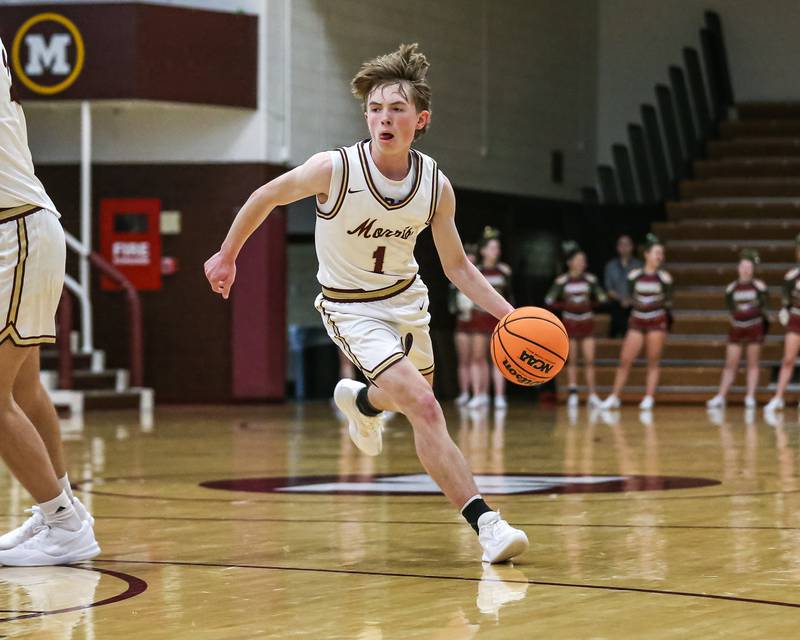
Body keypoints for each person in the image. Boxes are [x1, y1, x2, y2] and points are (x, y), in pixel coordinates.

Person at [204, 44, 528, 563]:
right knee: (425, 405)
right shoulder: (333, 169)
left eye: (396, 109)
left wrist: (510, 316)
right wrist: (227, 256)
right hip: (350, 307)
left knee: (409, 400)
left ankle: (360, 402)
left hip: (407, 302)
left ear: (419, 120)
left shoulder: (435, 186)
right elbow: (265, 195)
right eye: (375, 108)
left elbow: (458, 267)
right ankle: (487, 525)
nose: (384, 118)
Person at [0, 37, 99, 565]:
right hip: (20, 233)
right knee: (21, 386)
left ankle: (63, 525)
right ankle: (63, 515)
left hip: (15, 232)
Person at [599, 233, 673, 411]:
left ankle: (649, 397)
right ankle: (615, 396)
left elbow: (668, 301)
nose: (659, 257)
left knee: (653, 360)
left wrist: (652, 304)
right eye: (656, 252)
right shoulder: (634, 275)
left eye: (661, 253)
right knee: (625, 359)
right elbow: (631, 295)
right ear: (647, 254)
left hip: (656, 320)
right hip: (637, 320)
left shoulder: (665, 278)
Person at [452, 228, 512, 410]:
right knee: (478, 358)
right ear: (483, 250)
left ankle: (500, 397)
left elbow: (509, 296)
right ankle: (481, 394)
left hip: (497, 320)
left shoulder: (504, 271)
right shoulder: (476, 272)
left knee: (498, 359)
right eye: (492, 248)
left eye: (498, 248)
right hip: (478, 318)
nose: (496, 251)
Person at [545, 241, 607, 409]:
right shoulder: (562, 281)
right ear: (570, 263)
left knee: (589, 359)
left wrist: (588, 304)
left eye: (584, 260)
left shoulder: (590, 280)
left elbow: (602, 297)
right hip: (570, 323)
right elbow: (549, 299)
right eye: (578, 260)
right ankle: (573, 391)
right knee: (571, 359)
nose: (582, 263)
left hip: (586, 322)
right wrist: (566, 305)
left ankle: (592, 394)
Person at [707, 250, 768, 410]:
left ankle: (750, 396)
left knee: (753, 363)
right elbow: (730, 309)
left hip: (754, 327)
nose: (746, 270)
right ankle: (721, 396)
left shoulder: (759, 287)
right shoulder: (731, 288)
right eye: (743, 266)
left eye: (749, 267)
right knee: (730, 363)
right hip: (736, 328)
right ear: (738, 268)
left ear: (753, 269)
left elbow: (762, 306)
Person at [764, 234, 800, 413]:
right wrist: (785, 311)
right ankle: (778, 397)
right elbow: (786, 299)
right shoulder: (791, 276)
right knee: (788, 359)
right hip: (796, 318)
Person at [450, 244, 477, 406]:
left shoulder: (479, 279)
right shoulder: (455, 279)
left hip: (478, 323)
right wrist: (458, 309)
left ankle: (479, 394)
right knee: (464, 360)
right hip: (463, 322)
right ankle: (465, 393)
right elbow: (451, 304)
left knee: (477, 359)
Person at [604, 235, 642, 338]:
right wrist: (622, 299)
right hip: (616, 303)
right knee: (616, 314)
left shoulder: (639, 266)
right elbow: (609, 289)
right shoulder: (610, 266)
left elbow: (641, 288)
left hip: (634, 303)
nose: (624, 247)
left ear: (632, 247)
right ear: (617, 247)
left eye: (627, 244)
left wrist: (630, 300)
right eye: (621, 244)